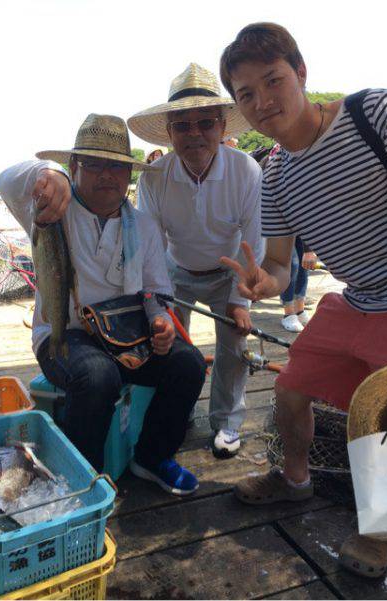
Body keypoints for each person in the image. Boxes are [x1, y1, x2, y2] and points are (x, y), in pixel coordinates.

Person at [219, 22, 387, 576]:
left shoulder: (375, 114)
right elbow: (277, 263)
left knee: (373, 412)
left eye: (273, 81)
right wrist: (260, 284)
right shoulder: (274, 177)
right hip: (355, 299)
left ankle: (380, 530)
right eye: (246, 94)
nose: (263, 101)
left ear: (301, 73)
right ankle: (294, 482)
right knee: (291, 390)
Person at [0, 114, 206, 496]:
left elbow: (156, 292)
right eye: (92, 163)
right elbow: (6, 179)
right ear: (74, 167)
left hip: (128, 336)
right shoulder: (48, 210)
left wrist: (161, 322)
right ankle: (82, 482)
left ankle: (153, 457)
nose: (105, 175)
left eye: (116, 166)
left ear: (128, 175)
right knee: (97, 376)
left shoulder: (143, 226)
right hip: (66, 334)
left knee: (189, 362)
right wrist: (49, 172)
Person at [128, 63, 264, 458]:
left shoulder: (247, 171)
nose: (195, 134)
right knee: (167, 345)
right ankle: (179, 408)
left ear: (223, 128)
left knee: (234, 349)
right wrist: (155, 305)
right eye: (183, 126)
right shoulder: (153, 177)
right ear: (169, 132)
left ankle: (227, 423)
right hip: (174, 271)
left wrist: (242, 301)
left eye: (205, 123)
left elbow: (254, 239)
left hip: (229, 273)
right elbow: (150, 248)